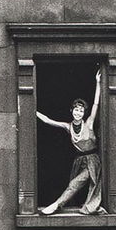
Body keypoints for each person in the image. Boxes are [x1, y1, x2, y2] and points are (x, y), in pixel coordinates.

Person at [36, 70, 103, 215]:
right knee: (74, 184)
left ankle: (55, 205)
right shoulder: (68, 127)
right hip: (79, 160)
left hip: (92, 160)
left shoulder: (89, 123)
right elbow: (48, 120)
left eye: (81, 111)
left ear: (84, 113)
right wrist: (32, 110)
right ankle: (73, 205)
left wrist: (98, 83)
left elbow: (95, 104)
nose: (78, 113)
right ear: (71, 111)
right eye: (76, 110)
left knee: (75, 184)